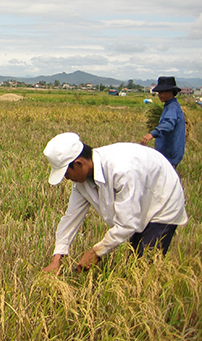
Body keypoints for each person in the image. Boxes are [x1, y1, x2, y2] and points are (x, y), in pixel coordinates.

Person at [42, 133, 187, 274]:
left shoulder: (122, 170)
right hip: (141, 199)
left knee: (145, 265)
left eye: (66, 174)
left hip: (163, 200)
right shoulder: (81, 183)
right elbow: (70, 218)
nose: (67, 179)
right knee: (135, 257)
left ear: (79, 164)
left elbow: (127, 224)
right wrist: (57, 258)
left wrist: (96, 252)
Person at [140, 76, 185, 169]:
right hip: (167, 155)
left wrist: (151, 134)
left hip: (169, 155)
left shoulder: (172, 107)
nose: (159, 95)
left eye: (162, 92)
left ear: (171, 92)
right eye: (158, 92)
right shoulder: (169, 106)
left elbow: (168, 124)